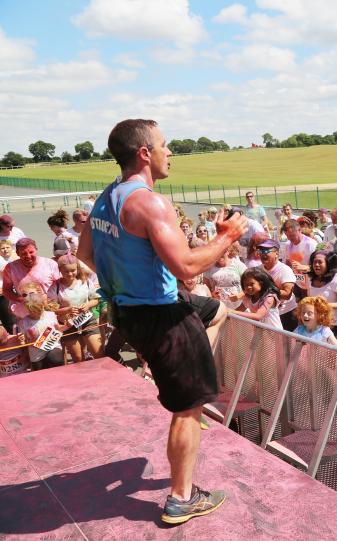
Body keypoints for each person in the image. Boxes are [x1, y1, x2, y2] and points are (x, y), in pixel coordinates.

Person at [78, 119, 248, 524]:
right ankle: (180, 499)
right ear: (144, 153)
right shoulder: (150, 202)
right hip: (161, 317)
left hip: (128, 311)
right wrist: (227, 236)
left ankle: (177, 378)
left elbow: (86, 255)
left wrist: (128, 277)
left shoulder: (106, 197)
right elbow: (186, 265)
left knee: (217, 311)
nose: (169, 152)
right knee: (188, 409)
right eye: (165, 146)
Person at [48, 254, 102, 363]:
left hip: (87, 320)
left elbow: (95, 299)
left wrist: (87, 305)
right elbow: (52, 309)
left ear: (77, 268)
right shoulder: (55, 287)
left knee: (98, 353)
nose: (70, 274)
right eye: (66, 271)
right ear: (60, 270)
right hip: (68, 325)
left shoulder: (85, 281)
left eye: (73, 270)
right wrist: (67, 310)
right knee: (78, 359)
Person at [2, 239, 61, 318]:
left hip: (50, 310)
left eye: (31, 252)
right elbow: (6, 290)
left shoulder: (50, 264)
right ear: (17, 253)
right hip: (27, 314)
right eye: (23, 253)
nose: (28, 256)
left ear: (36, 249)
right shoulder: (10, 268)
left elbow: (60, 286)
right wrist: (22, 299)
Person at [18, 287, 66, 370]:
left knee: (55, 359)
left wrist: (67, 325)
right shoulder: (23, 322)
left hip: (53, 346)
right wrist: (23, 341)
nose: (37, 313)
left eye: (39, 310)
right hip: (36, 354)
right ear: (28, 309)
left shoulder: (51, 315)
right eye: (33, 311)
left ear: (43, 306)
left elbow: (58, 329)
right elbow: (24, 341)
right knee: (40, 376)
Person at [255, 239, 297, 330]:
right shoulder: (257, 270)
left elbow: (287, 294)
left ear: (277, 254)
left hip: (286, 313)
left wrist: (265, 291)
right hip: (268, 313)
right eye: (261, 251)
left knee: (288, 342)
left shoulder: (285, 270)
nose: (263, 254)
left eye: (266, 251)